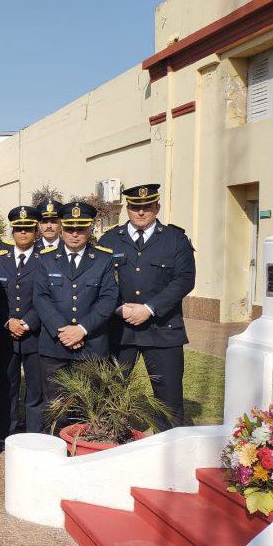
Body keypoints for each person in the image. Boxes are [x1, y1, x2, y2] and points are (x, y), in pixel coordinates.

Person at [98, 184, 196, 430]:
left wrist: (149, 308)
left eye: (147, 207)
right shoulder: (109, 239)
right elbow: (99, 282)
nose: (140, 212)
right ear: (127, 209)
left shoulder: (175, 239)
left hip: (163, 329)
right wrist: (118, 308)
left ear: (157, 207)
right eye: (135, 207)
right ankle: (109, 446)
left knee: (169, 399)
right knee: (110, 392)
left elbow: (184, 279)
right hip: (120, 330)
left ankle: (170, 449)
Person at [32, 202, 119, 426]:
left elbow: (109, 298)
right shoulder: (45, 258)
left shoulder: (103, 259)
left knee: (89, 404)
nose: (74, 234)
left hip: (91, 344)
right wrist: (64, 332)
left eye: (80, 228)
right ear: (61, 228)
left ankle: (83, 454)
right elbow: (41, 297)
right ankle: (56, 451)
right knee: (54, 404)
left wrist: (81, 330)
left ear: (89, 229)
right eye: (70, 228)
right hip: (54, 345)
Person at [0, 206, 45, 447]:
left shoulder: (46, 258)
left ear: (35, 230)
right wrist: (8, 321)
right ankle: (5, 434)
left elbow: (48, 296)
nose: (23, 233)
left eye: (28, 229)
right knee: (6, 385)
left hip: (35, 334)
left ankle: (34, 437)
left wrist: (27, 321)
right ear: (12, 231)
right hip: (5, 334)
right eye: (18, 229)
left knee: (36, 388)